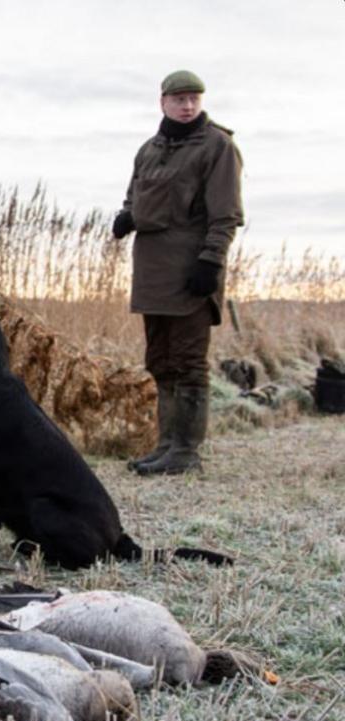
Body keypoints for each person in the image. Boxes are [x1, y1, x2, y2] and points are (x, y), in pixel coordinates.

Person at [111, 69, 243, 476]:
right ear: (163, 101)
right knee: (161, 360)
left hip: (191, 270)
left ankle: (186, 452)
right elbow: (135, 193)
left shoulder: (217, 146)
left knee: (188, 362)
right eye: (179, 99)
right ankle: (166, 445)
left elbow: (227, 215)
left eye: (194, 99)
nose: (187, 106)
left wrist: (210, 261)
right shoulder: (149, 148)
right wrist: (127, 214)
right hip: (152, 270)